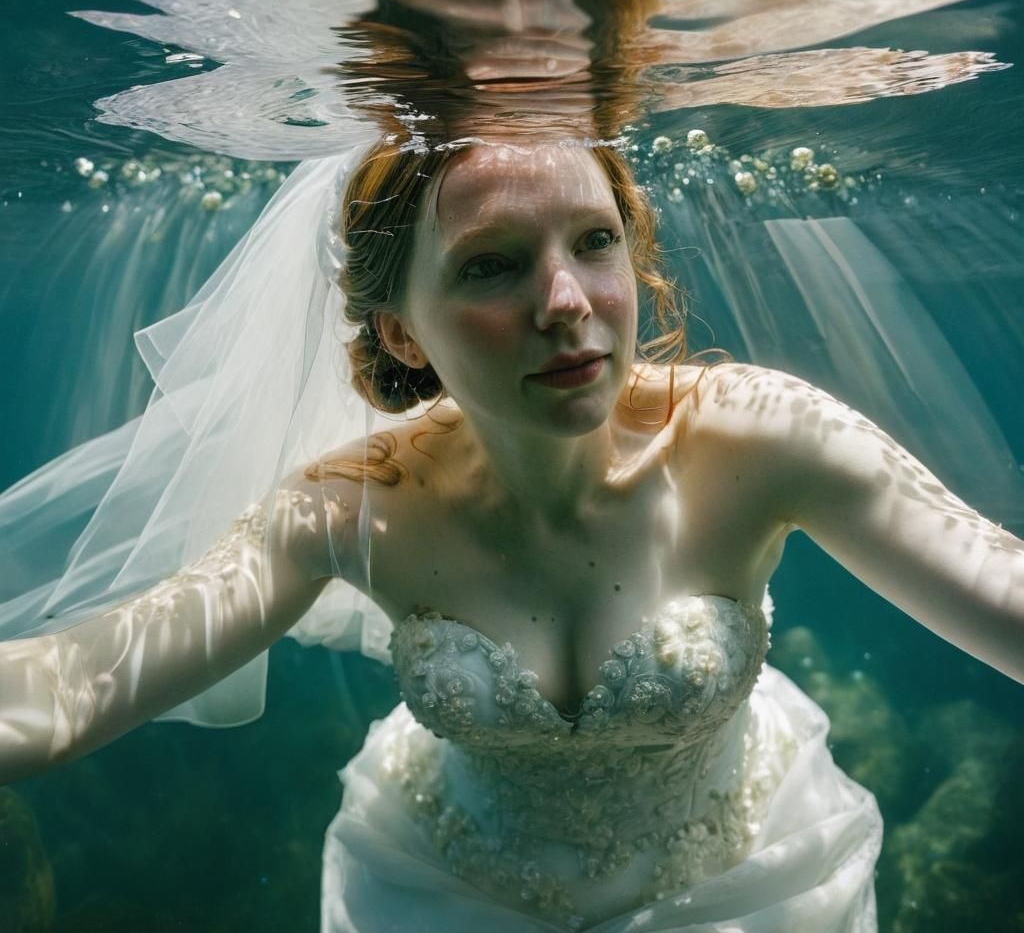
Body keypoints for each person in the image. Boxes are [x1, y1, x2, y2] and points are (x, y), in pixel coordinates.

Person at [2, 134, 1021, 933]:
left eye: (593, 240)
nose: (567, 303)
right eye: (491, 266)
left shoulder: (759, 435)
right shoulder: (352, 506)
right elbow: (70, 691)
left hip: (751, 896)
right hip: (443, 897)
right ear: (401, 329)